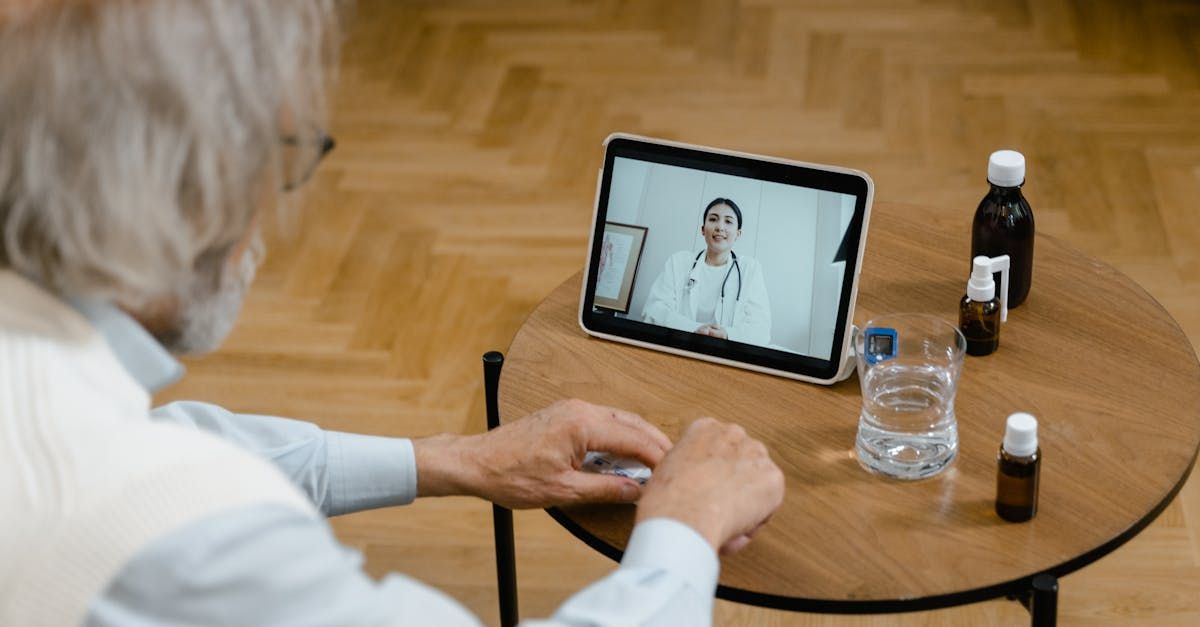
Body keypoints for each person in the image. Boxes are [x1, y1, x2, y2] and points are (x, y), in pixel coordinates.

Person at [0, 2, 785, 626]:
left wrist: (459, 458)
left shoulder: (62, 414)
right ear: (193, 196)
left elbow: (164, 445)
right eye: (276, 161)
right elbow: (158, 486)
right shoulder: (191, 540)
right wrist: (681, 530)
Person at [642, 198, 772, 345]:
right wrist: (694, 329)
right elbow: (654, 311)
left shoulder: (750, 269)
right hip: (679, 345)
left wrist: (727, 334)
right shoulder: (678, 262)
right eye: (713, 219)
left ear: (738, 234)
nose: (720, 227)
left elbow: (761, 330)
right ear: (703, 230)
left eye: (728, 221)